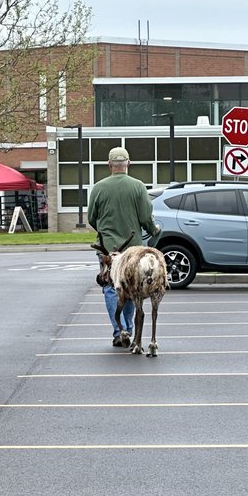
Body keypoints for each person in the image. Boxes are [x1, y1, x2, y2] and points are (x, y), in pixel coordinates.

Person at [87, 146, 160, 347]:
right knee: (132, 288)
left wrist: (104, 231)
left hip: (107, 250)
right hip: (132, 250)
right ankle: (128, 328)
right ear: (128, 163)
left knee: (112, 288)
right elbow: (146, 217)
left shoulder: (99, 188)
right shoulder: (138, 187)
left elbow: (91, 218)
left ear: (109, 165)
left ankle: (119, 330)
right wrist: (154, 230)